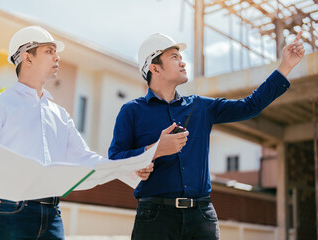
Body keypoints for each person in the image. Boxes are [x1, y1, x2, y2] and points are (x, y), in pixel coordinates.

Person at [0, 26, 153, 240]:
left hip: (52, 216)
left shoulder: (60, 115)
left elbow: (85, 159)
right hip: (10, 214)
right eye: (49, 51)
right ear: (27, 58)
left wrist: (129, 168)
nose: (57, 57)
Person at [108, 31, 305, 240]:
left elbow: (250, 106)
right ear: (154, 68)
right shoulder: (132, 111)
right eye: (174, 57)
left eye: (181, 57)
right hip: (155, 217)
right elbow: (114, 160)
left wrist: (285, 67)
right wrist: (151, 151)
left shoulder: (201, 107)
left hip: (201, 217)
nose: (183, 63)